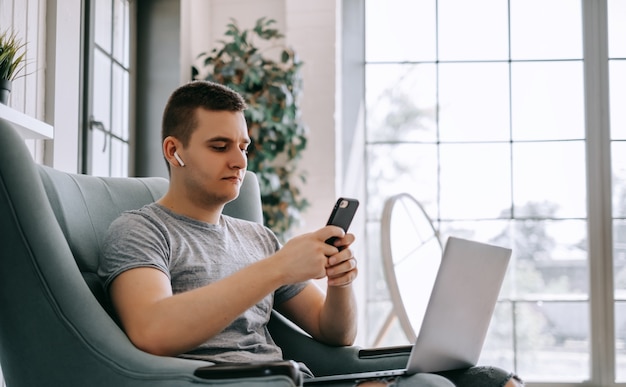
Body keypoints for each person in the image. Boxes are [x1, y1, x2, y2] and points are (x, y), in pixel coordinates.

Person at [98, 80, 523, 387]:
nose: (239, 161)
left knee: (489, 379)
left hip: (297, 380)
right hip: (231, 383)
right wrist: (276, 269)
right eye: (219, 146)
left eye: (244, 147)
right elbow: (152, 331)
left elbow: (335, 333)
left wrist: (340, 282)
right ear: (175, 151)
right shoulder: (141, 230)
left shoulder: (258, 239)